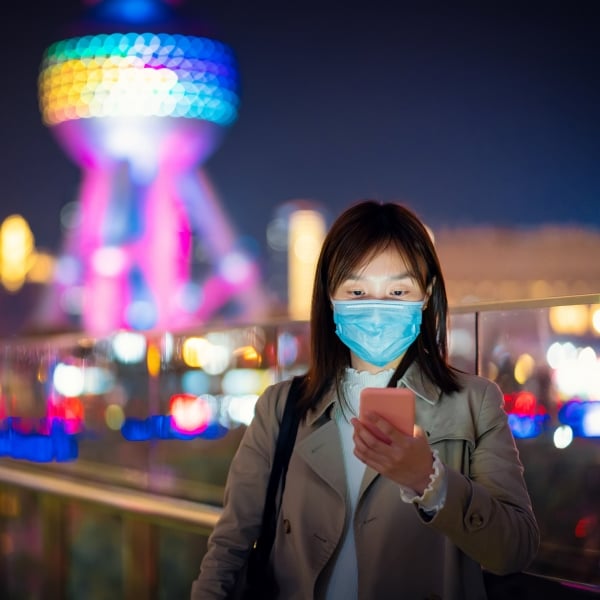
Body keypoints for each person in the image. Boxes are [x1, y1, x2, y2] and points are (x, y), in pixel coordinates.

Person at [191, 200, 539, 599]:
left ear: (425, 296)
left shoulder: (474, 404)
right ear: (330, 296)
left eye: (397, 290)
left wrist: (431, 482)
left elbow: (515, 549)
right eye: (357, 290)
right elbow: (229, 546)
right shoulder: (281, 408)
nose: (377, 309)